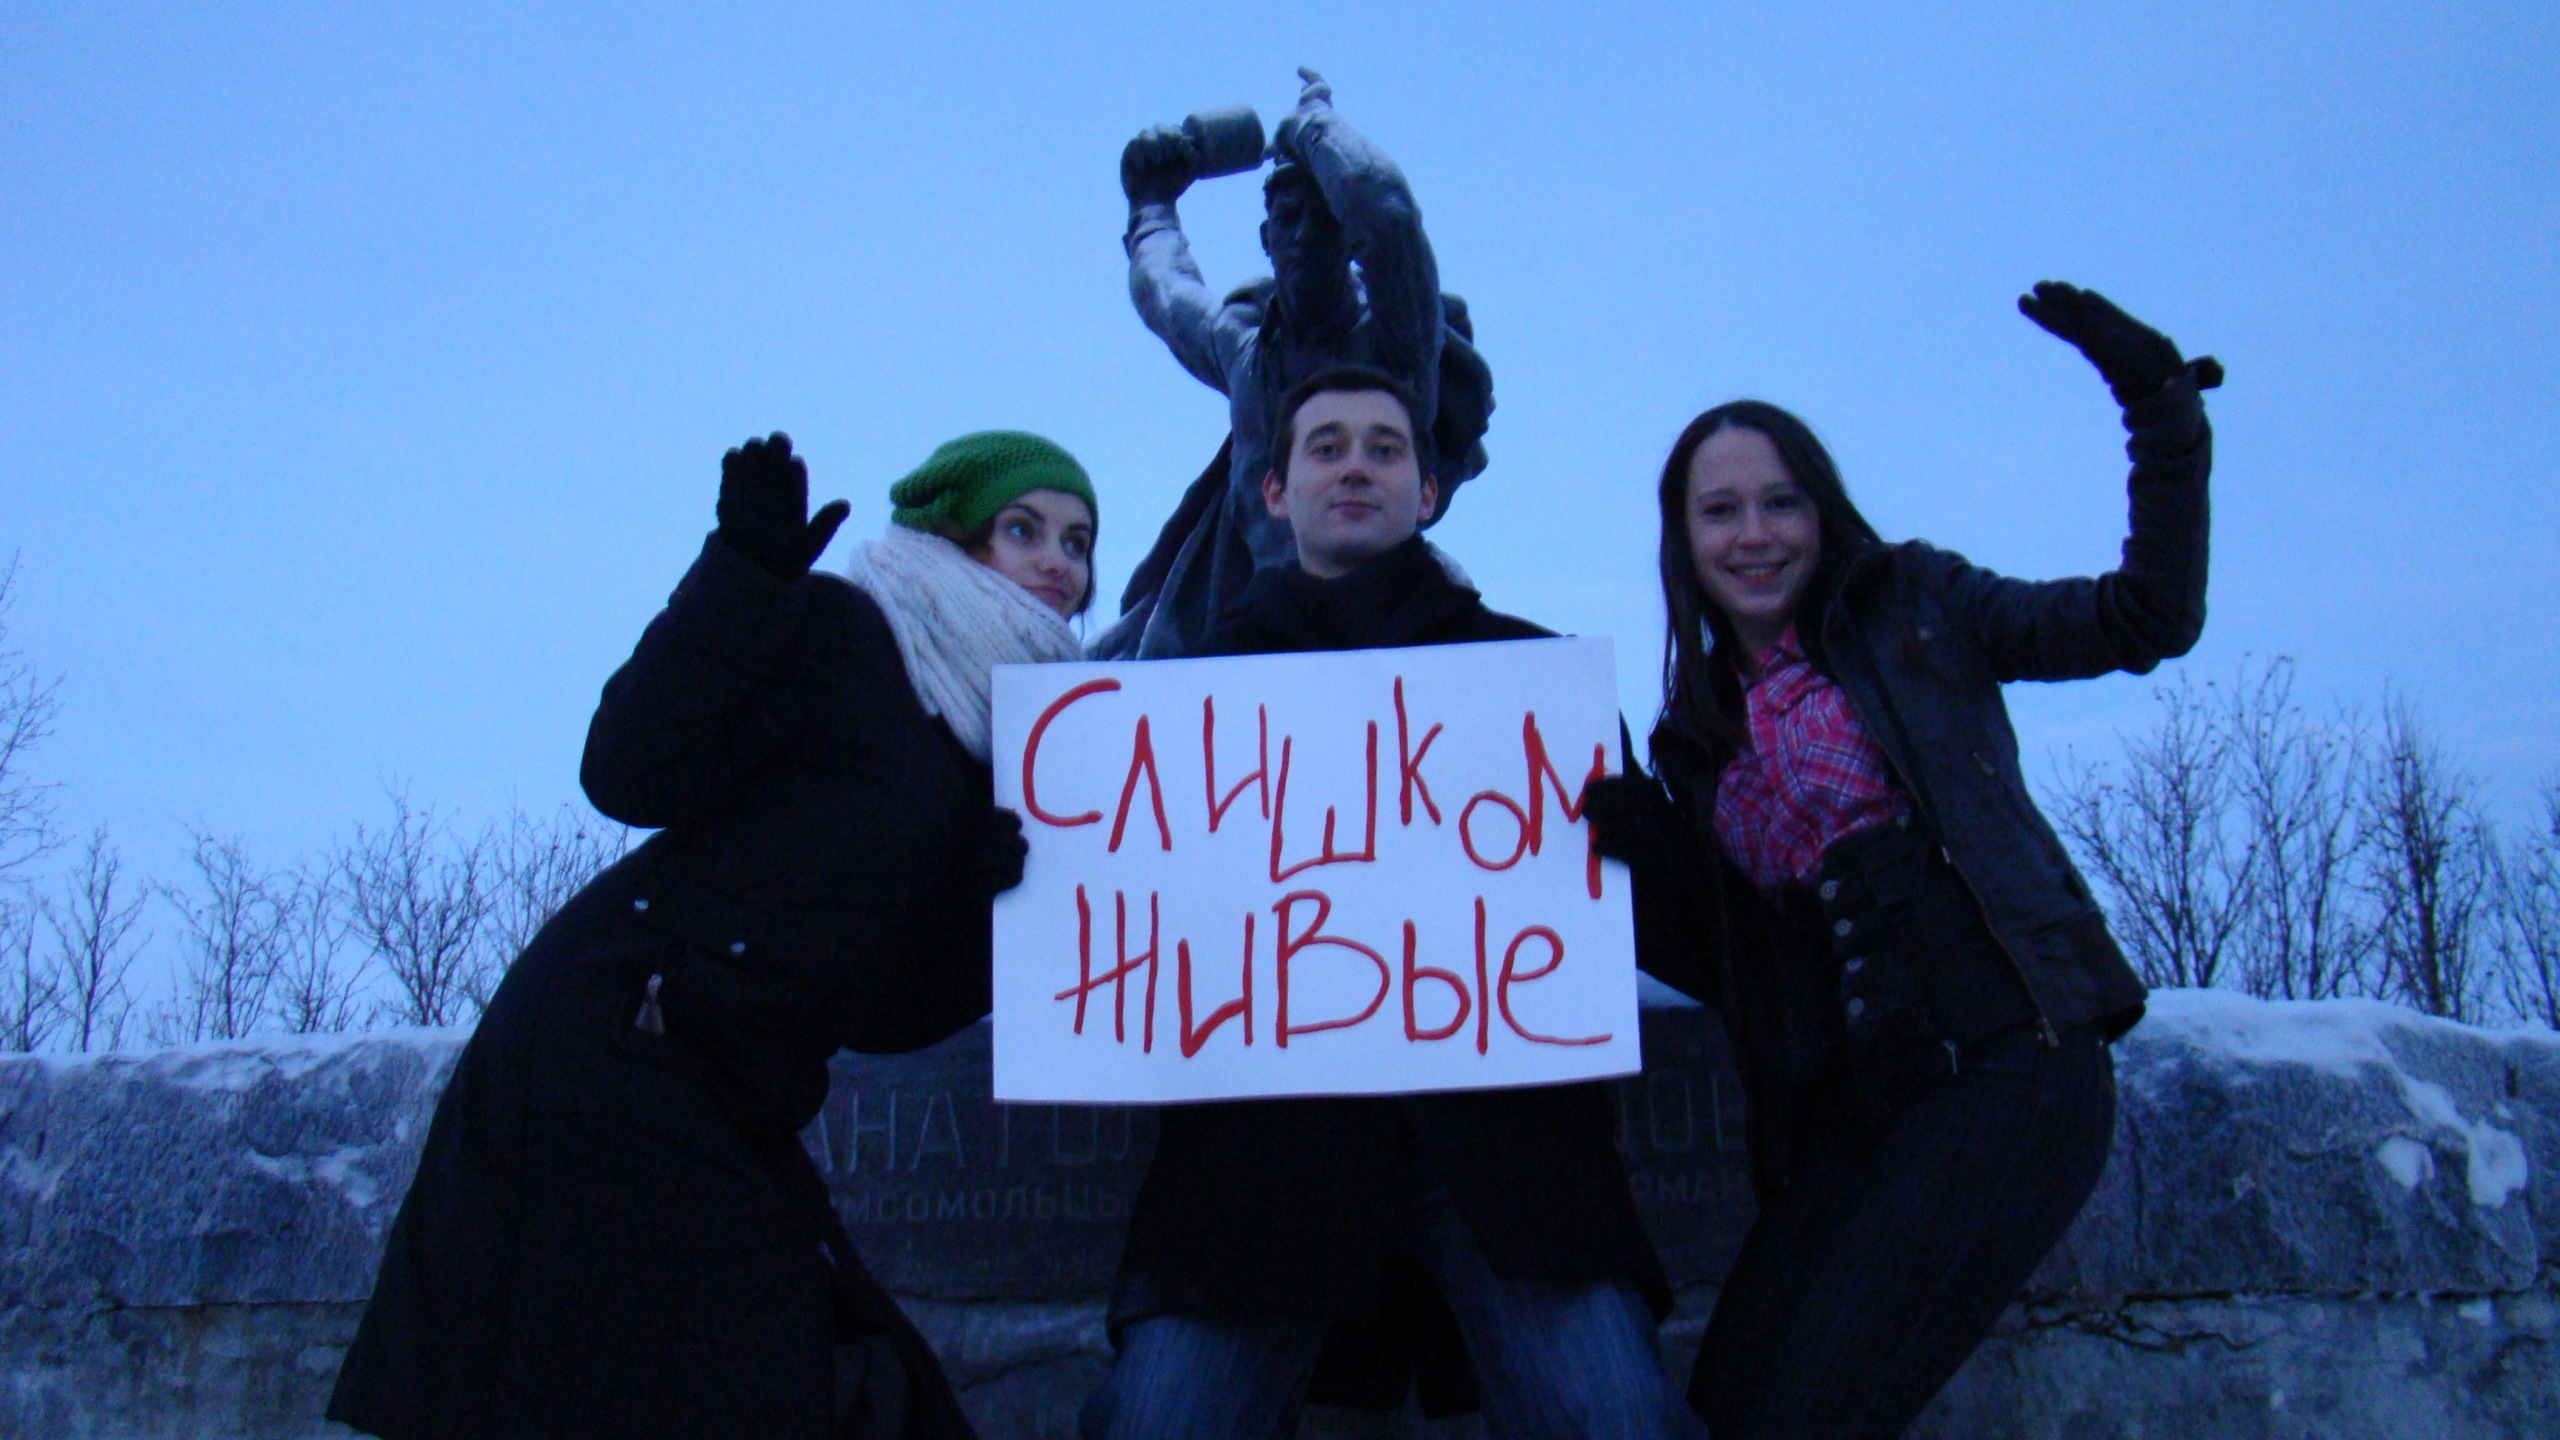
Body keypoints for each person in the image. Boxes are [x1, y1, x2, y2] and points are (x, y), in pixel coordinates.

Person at [328, 429, 1098, 1440]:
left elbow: (881, 1013)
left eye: (1078, 542)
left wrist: (978, 913)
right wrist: (740, 577)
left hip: (736, 1092)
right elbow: (628, 768)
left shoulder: (1002, 748)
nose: (1058, 562)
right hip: (617, 1044)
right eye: (1022, 529)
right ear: (951, 539)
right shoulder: (841, 634)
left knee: (855, 1386)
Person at [1584, 282, 2221, 1438]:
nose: (1753, 534)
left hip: (2006, 1063)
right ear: (1684, 539)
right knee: (1724, 1406)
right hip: (1850, 1115)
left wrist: (2159, 412)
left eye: (1780, 502)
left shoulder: (1911, 605)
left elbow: (2145, 618)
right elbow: (1740, 970)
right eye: (1720, 511)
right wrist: (1640, 854)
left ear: (1820, 511)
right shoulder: (1694, 734)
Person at [1081, 365, 1703, 1440]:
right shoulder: (1183, 700)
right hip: (1258, 1166)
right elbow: (1128, 924)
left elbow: (1660, 937)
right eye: (1325, 447)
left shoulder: (1532, 678)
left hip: (1508, 1161)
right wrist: (1037, 877)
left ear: (1428, 491)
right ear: (1274, 492)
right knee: (1160, 1424)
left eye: (1384, 447)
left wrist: (1648, 853)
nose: (1354, 467)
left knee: (1618, 1418)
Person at [1096, 69, 1495, 660]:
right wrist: (1151, 205)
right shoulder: (1245, 350)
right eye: (1288, 218)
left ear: (1347, 234)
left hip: (1386, 625)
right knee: (1135, 661)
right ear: (1266, 237)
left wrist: (1315, 126)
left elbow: (1389, 218)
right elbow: (1166, 293)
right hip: (1258, 627)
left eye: (1324, 217)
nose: (1305, 235)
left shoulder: (1398, 341)